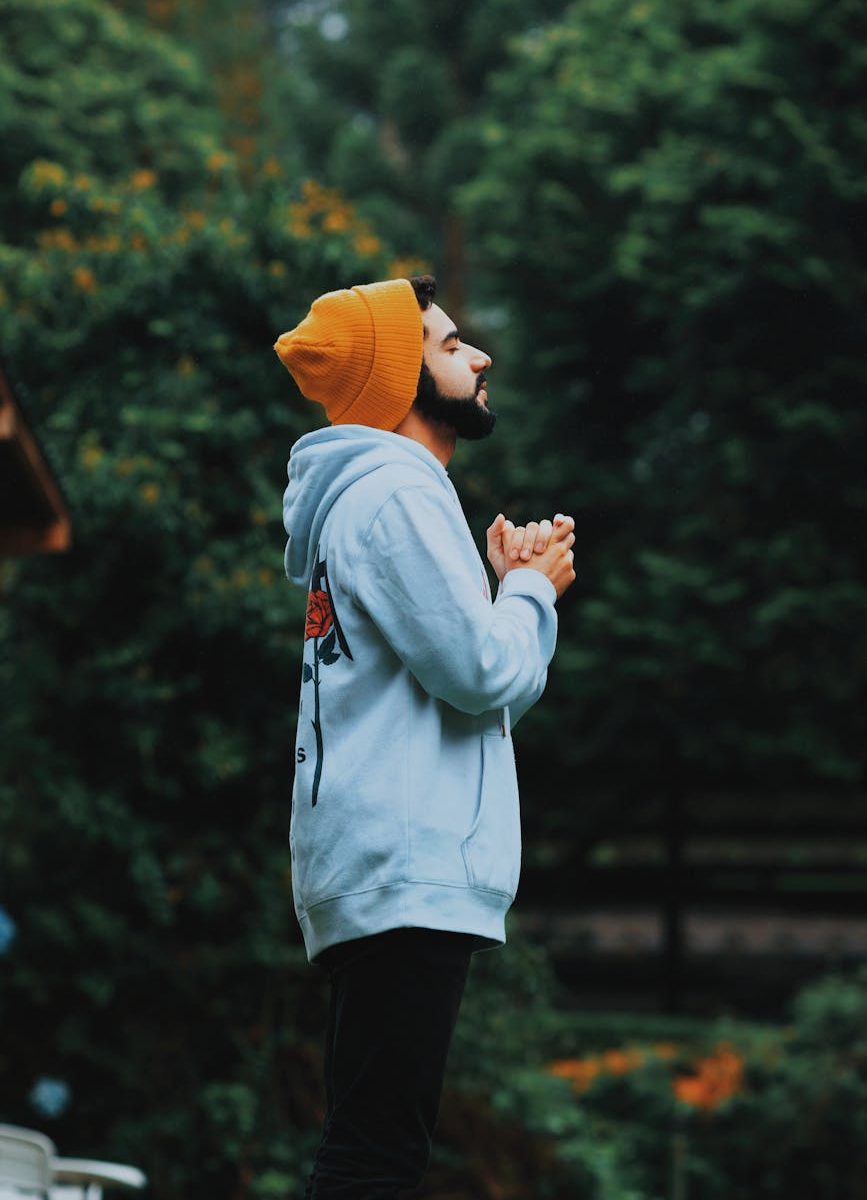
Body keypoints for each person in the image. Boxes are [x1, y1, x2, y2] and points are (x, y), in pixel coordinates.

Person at [274, 274, 576, 1198]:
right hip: (401, 868)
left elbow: (471, 700)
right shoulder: (397, 497)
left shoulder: (378, 500)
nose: (479, 355)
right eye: (450, 346)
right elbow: (484, 674)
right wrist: (530, 590)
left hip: (380, 862)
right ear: (399, 378)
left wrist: (496, 595)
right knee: (376, 1156)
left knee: (375, 1144)